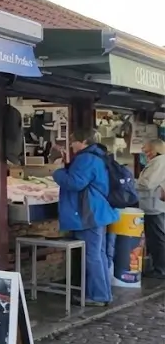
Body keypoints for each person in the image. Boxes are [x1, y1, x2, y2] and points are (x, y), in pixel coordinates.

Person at [53, 129, 119, 305]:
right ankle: (104, 294)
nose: (72, 145)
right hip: (100, 212)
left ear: (83, 141)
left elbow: (75, 183)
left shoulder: (85, 158)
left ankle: (98, 295)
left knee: (92, 255)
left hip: (89, 213)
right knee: (99, 254)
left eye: (74, 141)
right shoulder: (99, 155)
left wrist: (58, 171)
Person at [137, 139, 165, 278]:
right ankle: (159, 267)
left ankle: (161, 269)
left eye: (147, 149)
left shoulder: (159, 162)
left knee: (157, 238)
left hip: (155, 206)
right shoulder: (157, 162)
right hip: (153, 205)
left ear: (155, 150)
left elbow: (148, 183)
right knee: (155, 237)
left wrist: (133, 183)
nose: (144, 152)